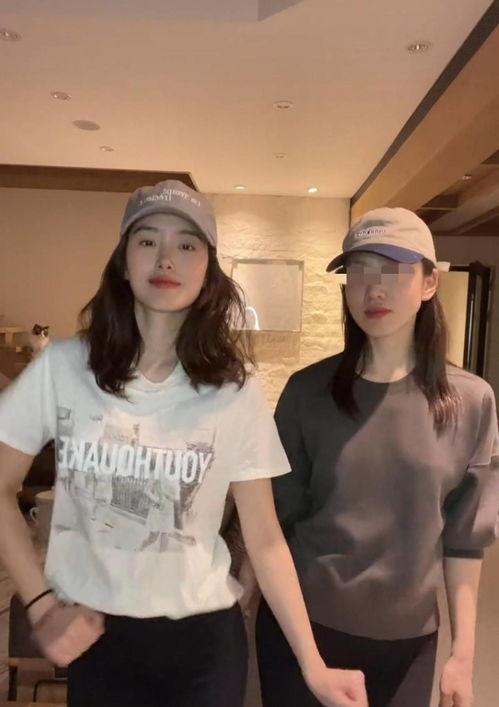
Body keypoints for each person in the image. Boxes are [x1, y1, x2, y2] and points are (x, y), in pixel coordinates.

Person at [0, 180, 368, 707]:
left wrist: (314, 665)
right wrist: (40, 605)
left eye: (187, 244)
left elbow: (264, 538)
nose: (166, 258)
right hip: (96, 639)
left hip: (203, 645)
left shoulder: (234, 390)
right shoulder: (62, 368)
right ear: (123, 262)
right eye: (148, 240)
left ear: (208, 271)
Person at [256, 207, 499, 707]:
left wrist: (463, 654)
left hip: (408, 642)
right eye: (359, 270)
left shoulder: (471, 401)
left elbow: (465, 540)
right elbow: (274, 523)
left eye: (391, 269)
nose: (373, 288)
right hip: (306, 629)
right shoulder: (306, 393)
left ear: (429, 282)